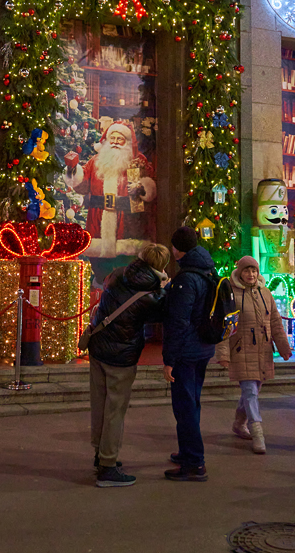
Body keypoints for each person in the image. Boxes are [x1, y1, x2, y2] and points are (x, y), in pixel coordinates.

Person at [88, 242, 169, 487]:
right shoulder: (152, 296)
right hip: (121, 357)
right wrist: (163, 288)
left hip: (98, 346)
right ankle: (108, 466)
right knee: (115, 411)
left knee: (99, 404)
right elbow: (160, 316)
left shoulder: (119, 273)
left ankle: (99, 454)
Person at [215, 256, 293, 454]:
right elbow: (227, 325)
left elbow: (275, 321)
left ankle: (238, 424)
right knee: (250, 391)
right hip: (242, 349)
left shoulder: (265, 293)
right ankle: (258, 434)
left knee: (253, 390)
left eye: (254, 271)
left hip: (263, 350)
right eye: (247, 271)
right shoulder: (231, 293)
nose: (251, 274)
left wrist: (283, 346)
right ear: (240, 272)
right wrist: (223, 352)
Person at [162, 226, 218, 482]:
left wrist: (169, 359)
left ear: (177, 249)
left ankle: (195, 462)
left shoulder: (186, 278)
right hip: (204, 347)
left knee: (185, 407)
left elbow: (178, 321)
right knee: (192, 402)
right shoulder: (208, 270)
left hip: (187, 351)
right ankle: (187, 452)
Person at [63, 121, 156, 258]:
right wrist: (72, 170)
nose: (115, 142)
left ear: (127, 142)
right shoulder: (96, 161)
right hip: (97, 221)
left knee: (126, 260)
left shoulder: (137, 161)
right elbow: (82, 185)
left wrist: (142, 188)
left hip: (126, 224)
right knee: (100, 266)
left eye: (120, 139)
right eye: (112, 138)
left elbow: (148, 188)